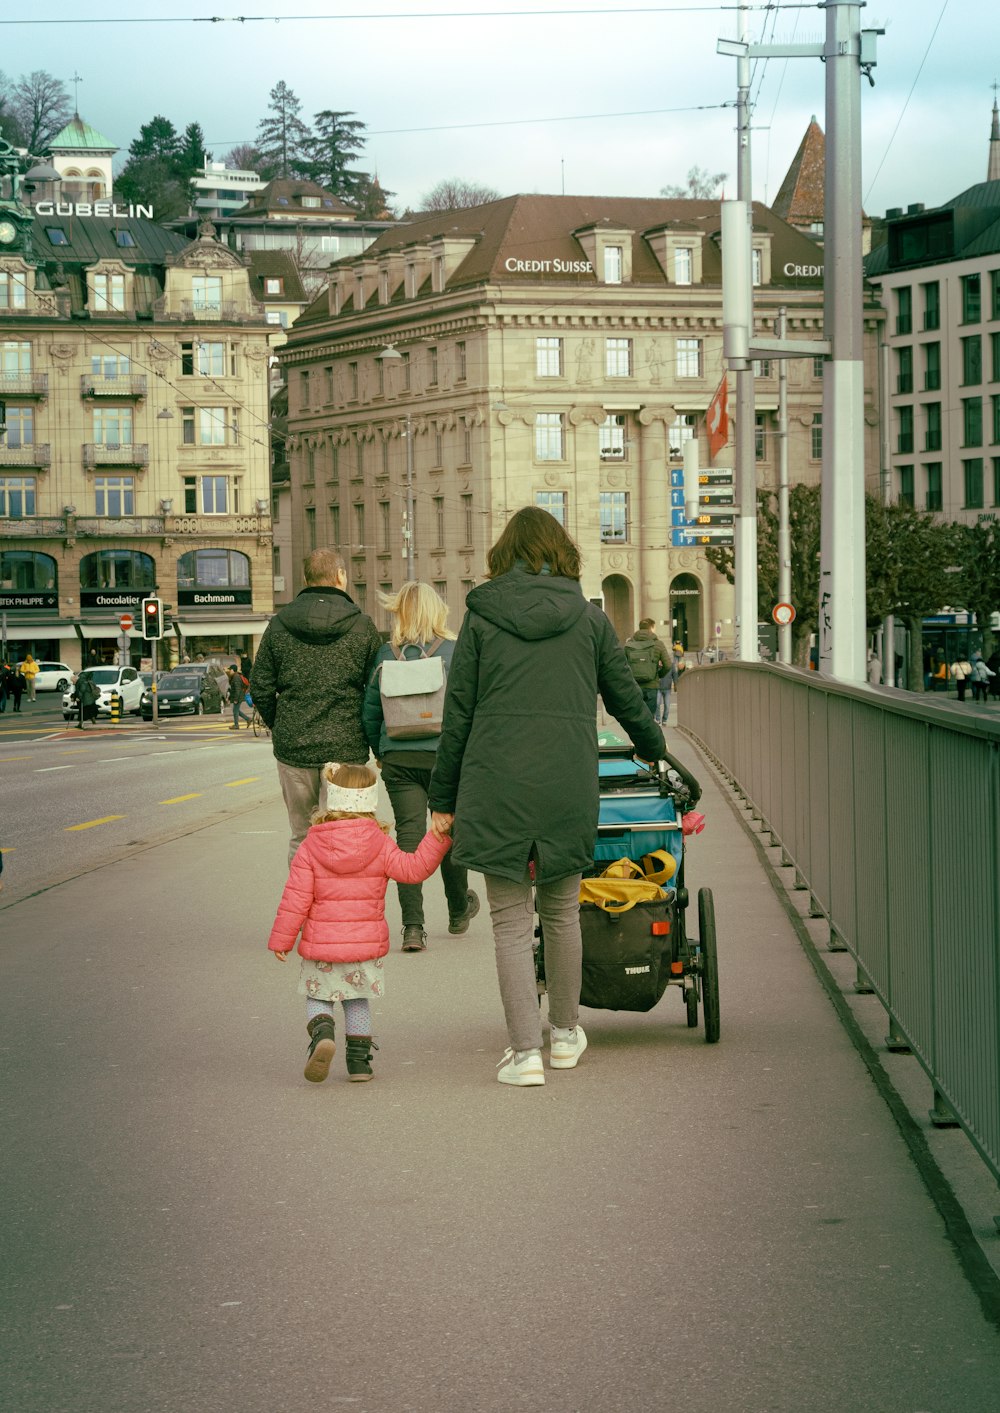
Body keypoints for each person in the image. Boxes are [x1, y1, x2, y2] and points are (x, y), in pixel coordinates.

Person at [427, 506, 665, 1088]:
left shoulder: (480, 619)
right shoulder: (590, 621)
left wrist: (443, 797)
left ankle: (523, 1053)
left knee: (510, 921)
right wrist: (656, 752)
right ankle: (564, 1035)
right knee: (561, 912)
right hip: (566, 781)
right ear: (564, 555)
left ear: (503, 557)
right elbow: (627, 697)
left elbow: (457, 715)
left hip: (495, 781)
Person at [268, 761, 451, 1083]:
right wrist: (437, 838)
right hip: (364, 945)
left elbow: (295, 897)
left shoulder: (312, 844)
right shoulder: (378, 843)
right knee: (357, 1001)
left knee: (318, 995)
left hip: (321, 944)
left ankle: (323, 1032)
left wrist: (282, 939)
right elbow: (413, 871)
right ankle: (359, 1064)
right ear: (370, 801)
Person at [362, 581, 480, 953]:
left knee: (409, 842)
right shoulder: (454, 650)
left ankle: (413, 928)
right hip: (444, 756)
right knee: (445, 832)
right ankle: (459, 910)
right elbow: (468, 706)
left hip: (398, 757)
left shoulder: (386, 654)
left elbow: (369, 711)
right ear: (437, 611)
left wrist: (380, 751)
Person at [250, 548, 384, 865]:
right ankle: (343, 911)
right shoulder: (362, 627)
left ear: (307, 580)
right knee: (347, 837)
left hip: (294, 750)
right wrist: (372, 741)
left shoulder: (279, 625)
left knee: (302, 837)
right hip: (347, 753)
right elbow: (377, 691)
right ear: (340, 576)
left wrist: (281, 725)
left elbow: (260, 684)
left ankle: (307, 909)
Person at [622, 618, 671, 717]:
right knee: (649, 718)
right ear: (652, 628)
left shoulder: (628, 644)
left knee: (635, 717)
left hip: (634, 686)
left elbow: (622, 665)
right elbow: (668, 665)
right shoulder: (658, 644)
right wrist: (658, 674)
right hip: (651, 686)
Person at [225, 665, 253, 731]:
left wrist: (236, 699)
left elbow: (237, 689)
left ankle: (236, 725)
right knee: (236, 710)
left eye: (230, 670)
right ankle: (248, 719)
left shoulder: (236, 677)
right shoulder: (234, 676)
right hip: (238, 696)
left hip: (238, 696)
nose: (229, 671)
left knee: (235, 711)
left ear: (233, 670)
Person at [654, 656, 679, 725]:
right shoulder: (657, 665)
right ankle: (657, 719)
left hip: (667, 688)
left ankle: (664, 720)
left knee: (667, 705)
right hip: (658, 687)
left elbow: (675, 675)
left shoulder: (671, 665)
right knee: (657, 704)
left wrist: (676, 684)